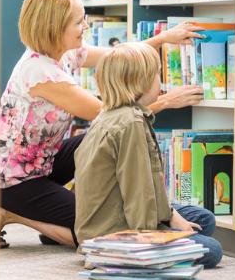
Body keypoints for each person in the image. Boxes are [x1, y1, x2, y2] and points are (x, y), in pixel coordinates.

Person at [0, 0, 204, 248]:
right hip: (13, 180)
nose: (86, 26)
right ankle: (11, 213)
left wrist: (162, 38)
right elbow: (111, 119)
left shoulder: (66, 53)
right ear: (53, 27)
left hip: (42, 161)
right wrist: (167, 101)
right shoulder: (40, 72)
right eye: (78, 21)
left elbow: (119, 57)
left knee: (91, 140)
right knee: (94, 231)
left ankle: (56, 212)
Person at [74, 42, 223, 268]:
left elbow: (145, 185)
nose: (160, 81)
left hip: (104, 219)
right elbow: (139, 192)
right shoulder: (131, 123)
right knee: (212, 250)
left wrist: (171, 215)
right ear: (141, 83)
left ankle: (160, 232)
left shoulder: (111, 114)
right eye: (157, 75)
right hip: (115, 233)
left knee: (204, 219)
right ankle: (120, 255)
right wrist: (153, 237)